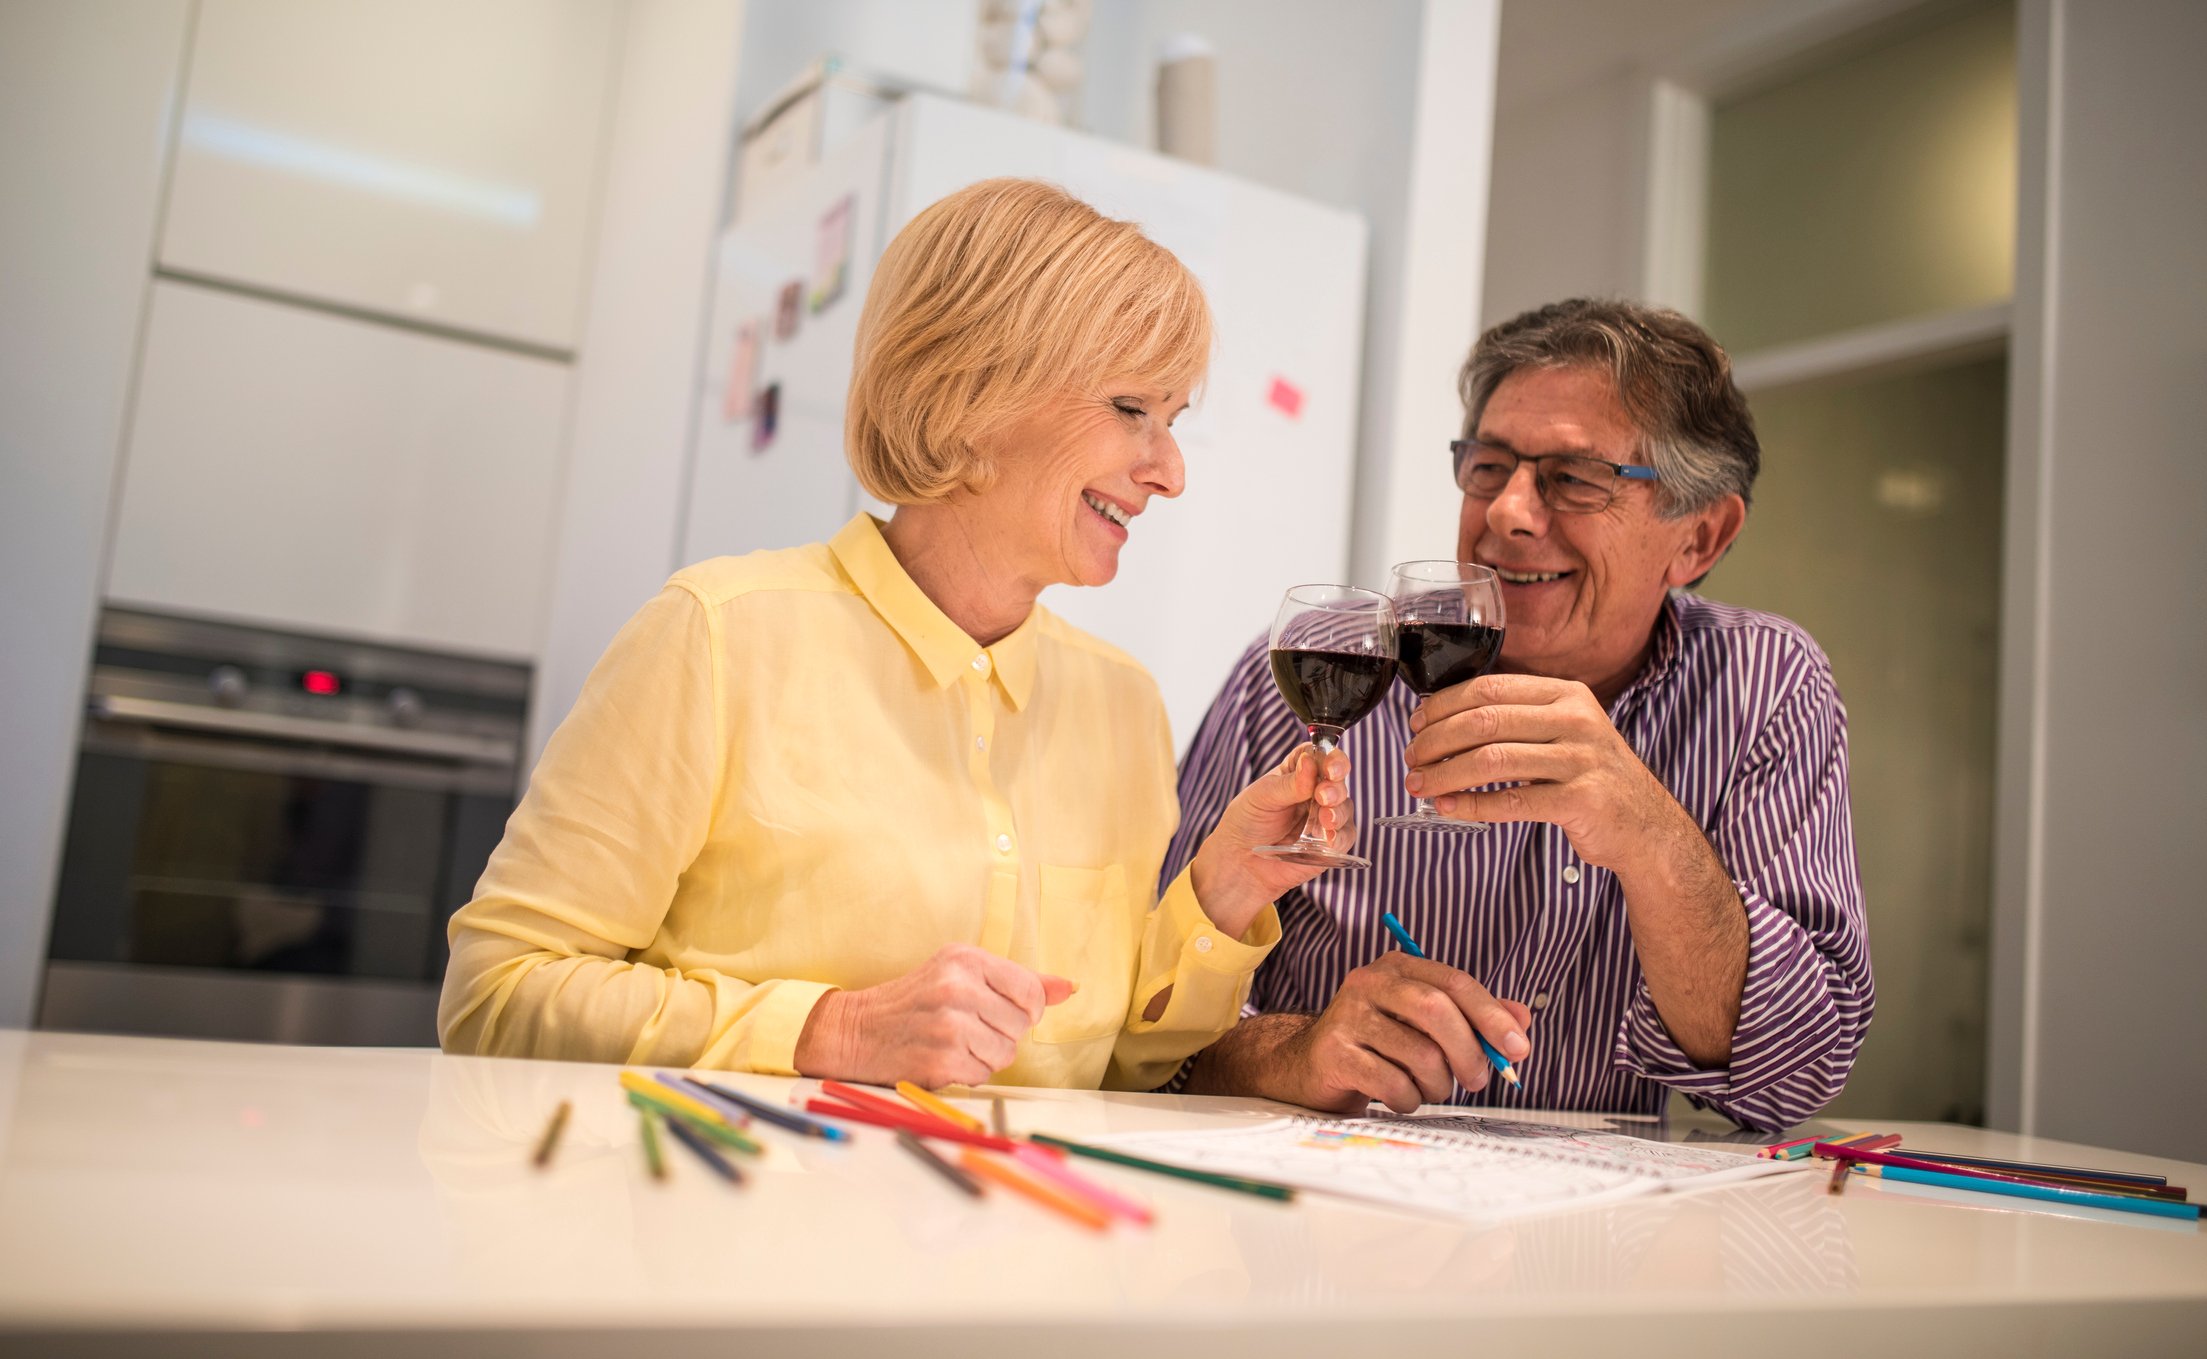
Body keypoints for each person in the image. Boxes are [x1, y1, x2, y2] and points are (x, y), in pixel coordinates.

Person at [440, 178, 1353, 1091]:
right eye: (1131, 409)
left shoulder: (1122, 702)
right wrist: (832, 1029)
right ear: (973, 389)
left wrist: (1222, 890)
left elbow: (1116, 1071)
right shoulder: (716, 637)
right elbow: (497, 994)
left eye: (1174, 420)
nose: (1169, 471)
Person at [1164, 298, 1871, 1131]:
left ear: (1700, 539)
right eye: (1488, 468)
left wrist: (1650, 835)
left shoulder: (1763, 685)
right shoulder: (1317, 672)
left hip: (1601, 1234)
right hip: (1322, 1221)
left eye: (1573, 479)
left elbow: (1793, 1074)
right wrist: (1294, 1052)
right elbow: (1144, 1014)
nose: (1506, 512)